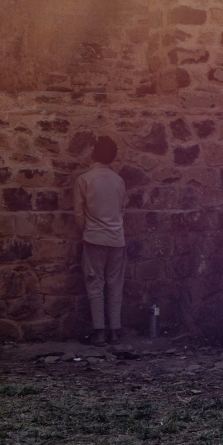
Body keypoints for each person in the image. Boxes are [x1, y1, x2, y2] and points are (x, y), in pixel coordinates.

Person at [73, 136, 128, 346]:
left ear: (94, 153)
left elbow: (79, 214)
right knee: (115, 285)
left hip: (94, 238)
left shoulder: (84, 180)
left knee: (95, 284)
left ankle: (99, 332)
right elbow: (122, 210)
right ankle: (114, 331)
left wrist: (87, 232)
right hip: (117, 239)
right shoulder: (118, 181)